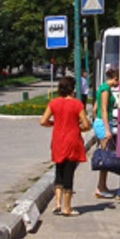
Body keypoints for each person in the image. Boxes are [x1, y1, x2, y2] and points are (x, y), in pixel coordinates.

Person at [40, 75, 91, 216]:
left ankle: (57, 203)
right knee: (69, 173)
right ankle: (67, 208)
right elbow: (86, 125)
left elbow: (43, 121)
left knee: (59, 171)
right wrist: (78, 127)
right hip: (72, 140)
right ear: (72, 89)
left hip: (58, 140)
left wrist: (54, 124)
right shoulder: (77, 104)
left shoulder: (53, 103)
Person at [94, 68, 120, 199]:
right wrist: (107, 129)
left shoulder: (102, 88)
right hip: (105, 123)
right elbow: (103, 109)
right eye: (118, 80)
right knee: (105, 158)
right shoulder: (106, 90)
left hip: (101, 123)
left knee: (107, 156)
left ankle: (103, 185)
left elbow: (95, 108)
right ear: (115, 78)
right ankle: (100, 187)